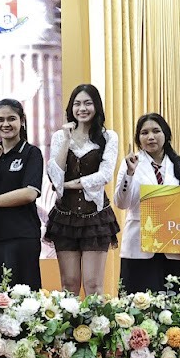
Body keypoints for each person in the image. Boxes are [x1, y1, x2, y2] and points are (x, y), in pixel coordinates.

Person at [45, 84, 120, 294]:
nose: (82, 108)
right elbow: (55, 175)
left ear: (96, 106)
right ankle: (69, 318)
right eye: (77, 104)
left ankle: (95, 318)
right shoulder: (60, 136)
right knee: (69, 284)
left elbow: (104, 175)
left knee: (93, 284)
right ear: (71, 108)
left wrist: (70, 184)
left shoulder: (108, 136)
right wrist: (67, 140)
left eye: (88, 103)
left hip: (95, 218)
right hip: (64, 218)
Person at [114, 112, 180, 293]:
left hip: (173, 248)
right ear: (138, 138)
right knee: (137, 304)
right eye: (144, 133)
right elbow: (121, 203)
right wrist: (129, 173)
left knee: (173, 304)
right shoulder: (130, 163)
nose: (150, 137)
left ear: (166, 134)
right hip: (139, 247)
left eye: (156, 131)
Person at [0, 98, 45, 289]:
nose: (5, 124)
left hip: (22, 235)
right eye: (0, 119)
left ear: (22, 121)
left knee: (24, 296)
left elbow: (29, 193)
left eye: (11, 119)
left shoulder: (31, 153)